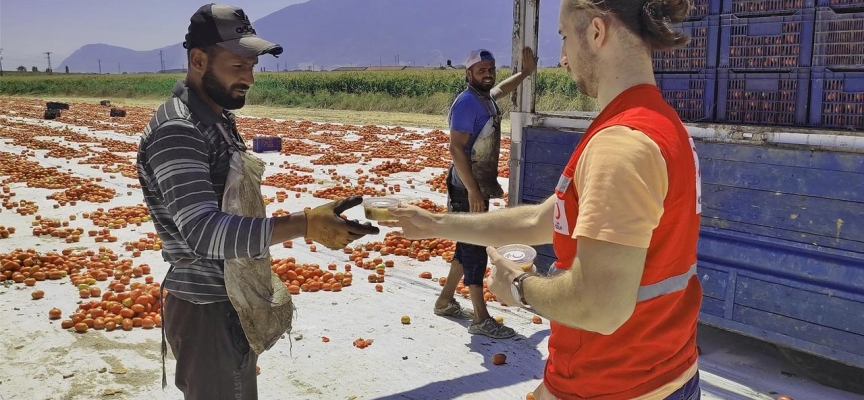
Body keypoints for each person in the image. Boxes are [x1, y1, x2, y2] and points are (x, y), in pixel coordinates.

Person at [382, 0, 703, 398]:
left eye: (565, 38)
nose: (564, 58)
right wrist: (436, 224)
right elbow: (540, 220)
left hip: (612, 384)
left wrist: (519, 288)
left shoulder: (619, 147)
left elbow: (599, 308)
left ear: (598, 33)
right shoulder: (659, 123)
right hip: (664, 370)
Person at [135, 4, 379, 399]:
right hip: (208, 308)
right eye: (237, 67)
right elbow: (203, 233)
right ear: (199, 60)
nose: (249, 78)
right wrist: (304, 224)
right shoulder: (179, 128)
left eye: (252, 66)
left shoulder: (214, 118)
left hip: (230, 298)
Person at [435, 47, 537, 339]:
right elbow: (455, 148)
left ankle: (444, 301)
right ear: (469, 74)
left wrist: (525, 74)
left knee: (465, 246)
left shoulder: (484, 98)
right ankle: (481, 318)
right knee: (475, 248)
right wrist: (471, 191)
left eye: (491, 69)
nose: (488, 74)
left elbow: (502, 89)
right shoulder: (466, 103)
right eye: (482, 70)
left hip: (477, 184)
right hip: (466, 187)